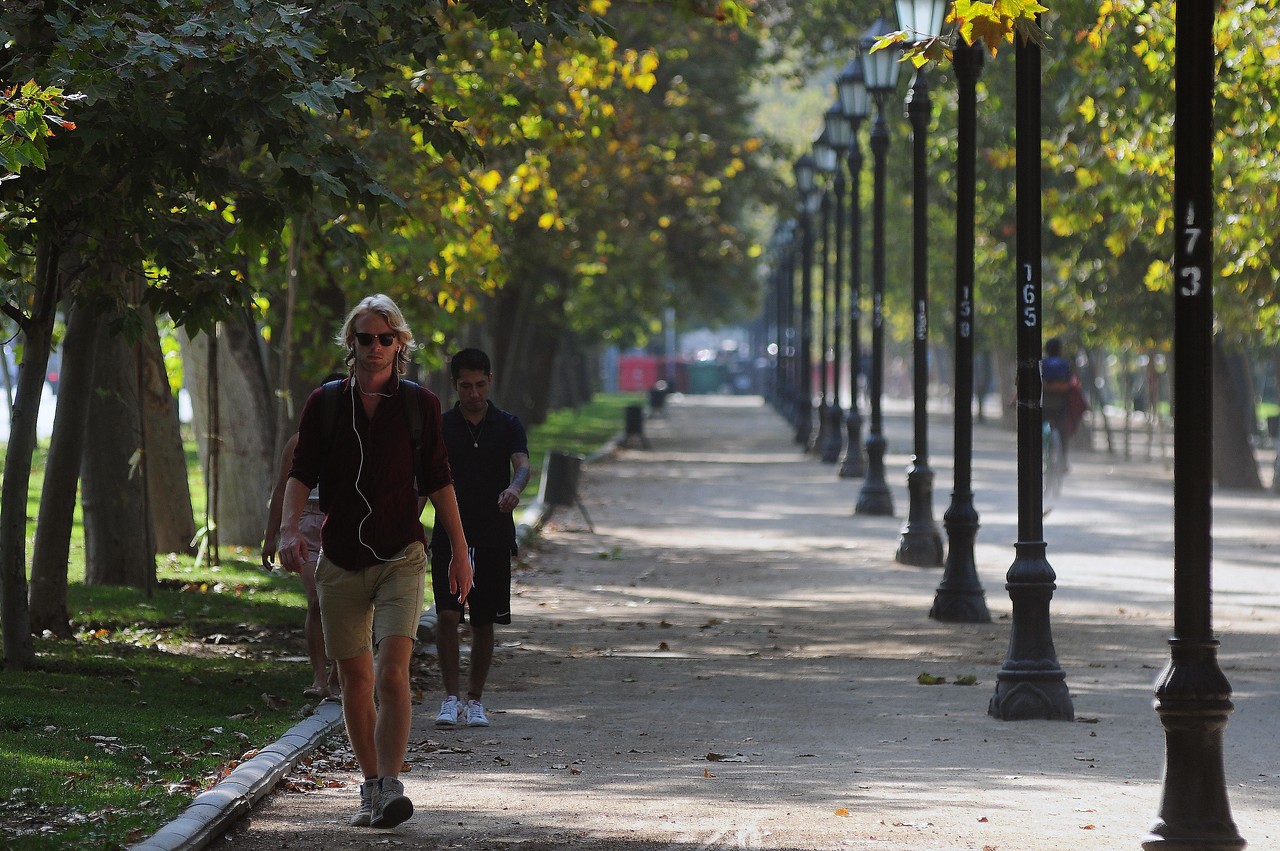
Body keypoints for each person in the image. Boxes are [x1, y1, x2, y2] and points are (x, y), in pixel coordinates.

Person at [276, 294, 473, 830]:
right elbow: (301, 472)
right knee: (356, 679)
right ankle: (369, 786)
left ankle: (389, 784)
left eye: (387, 338)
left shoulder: (418, 405)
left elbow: (439, 480)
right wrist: (289, 528)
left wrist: (459, 550)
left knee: (390, 673)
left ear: (400, 344)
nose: (376, 347)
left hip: (400, 556)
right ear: (352, 343)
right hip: (340, 559)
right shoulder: (325, 404)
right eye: (366, 338)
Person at [432, 348, 530, 729]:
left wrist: (515, 488)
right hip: (450, 533)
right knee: (447, 615)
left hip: (493, 534)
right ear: (454, 385)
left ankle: (475, 700)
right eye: (466, 386)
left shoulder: (508, 424)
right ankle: (450, 698)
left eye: (480, 385)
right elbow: (426, 479)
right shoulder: (441, 426)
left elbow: (522, 466)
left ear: (490, 381)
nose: (474, 393)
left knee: (483, 620)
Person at [263, 403, 343, 701]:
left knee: (343, 603)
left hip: (342, 521)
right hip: (306, 521)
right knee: (316, 600)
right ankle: (319, 677)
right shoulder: (299, 442)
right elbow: (281, 488)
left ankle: (338, 675)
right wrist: (271, 536)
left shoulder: (356, 438)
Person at [1041, 337, 1088, 466]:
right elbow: (1074, 384)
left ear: (1046, 350)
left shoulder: (1042, 364)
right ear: (1059, 350)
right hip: (1061, 406)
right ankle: (1064, 461)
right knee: (1063, 433)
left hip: (1044, 406)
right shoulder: (1066, 364)